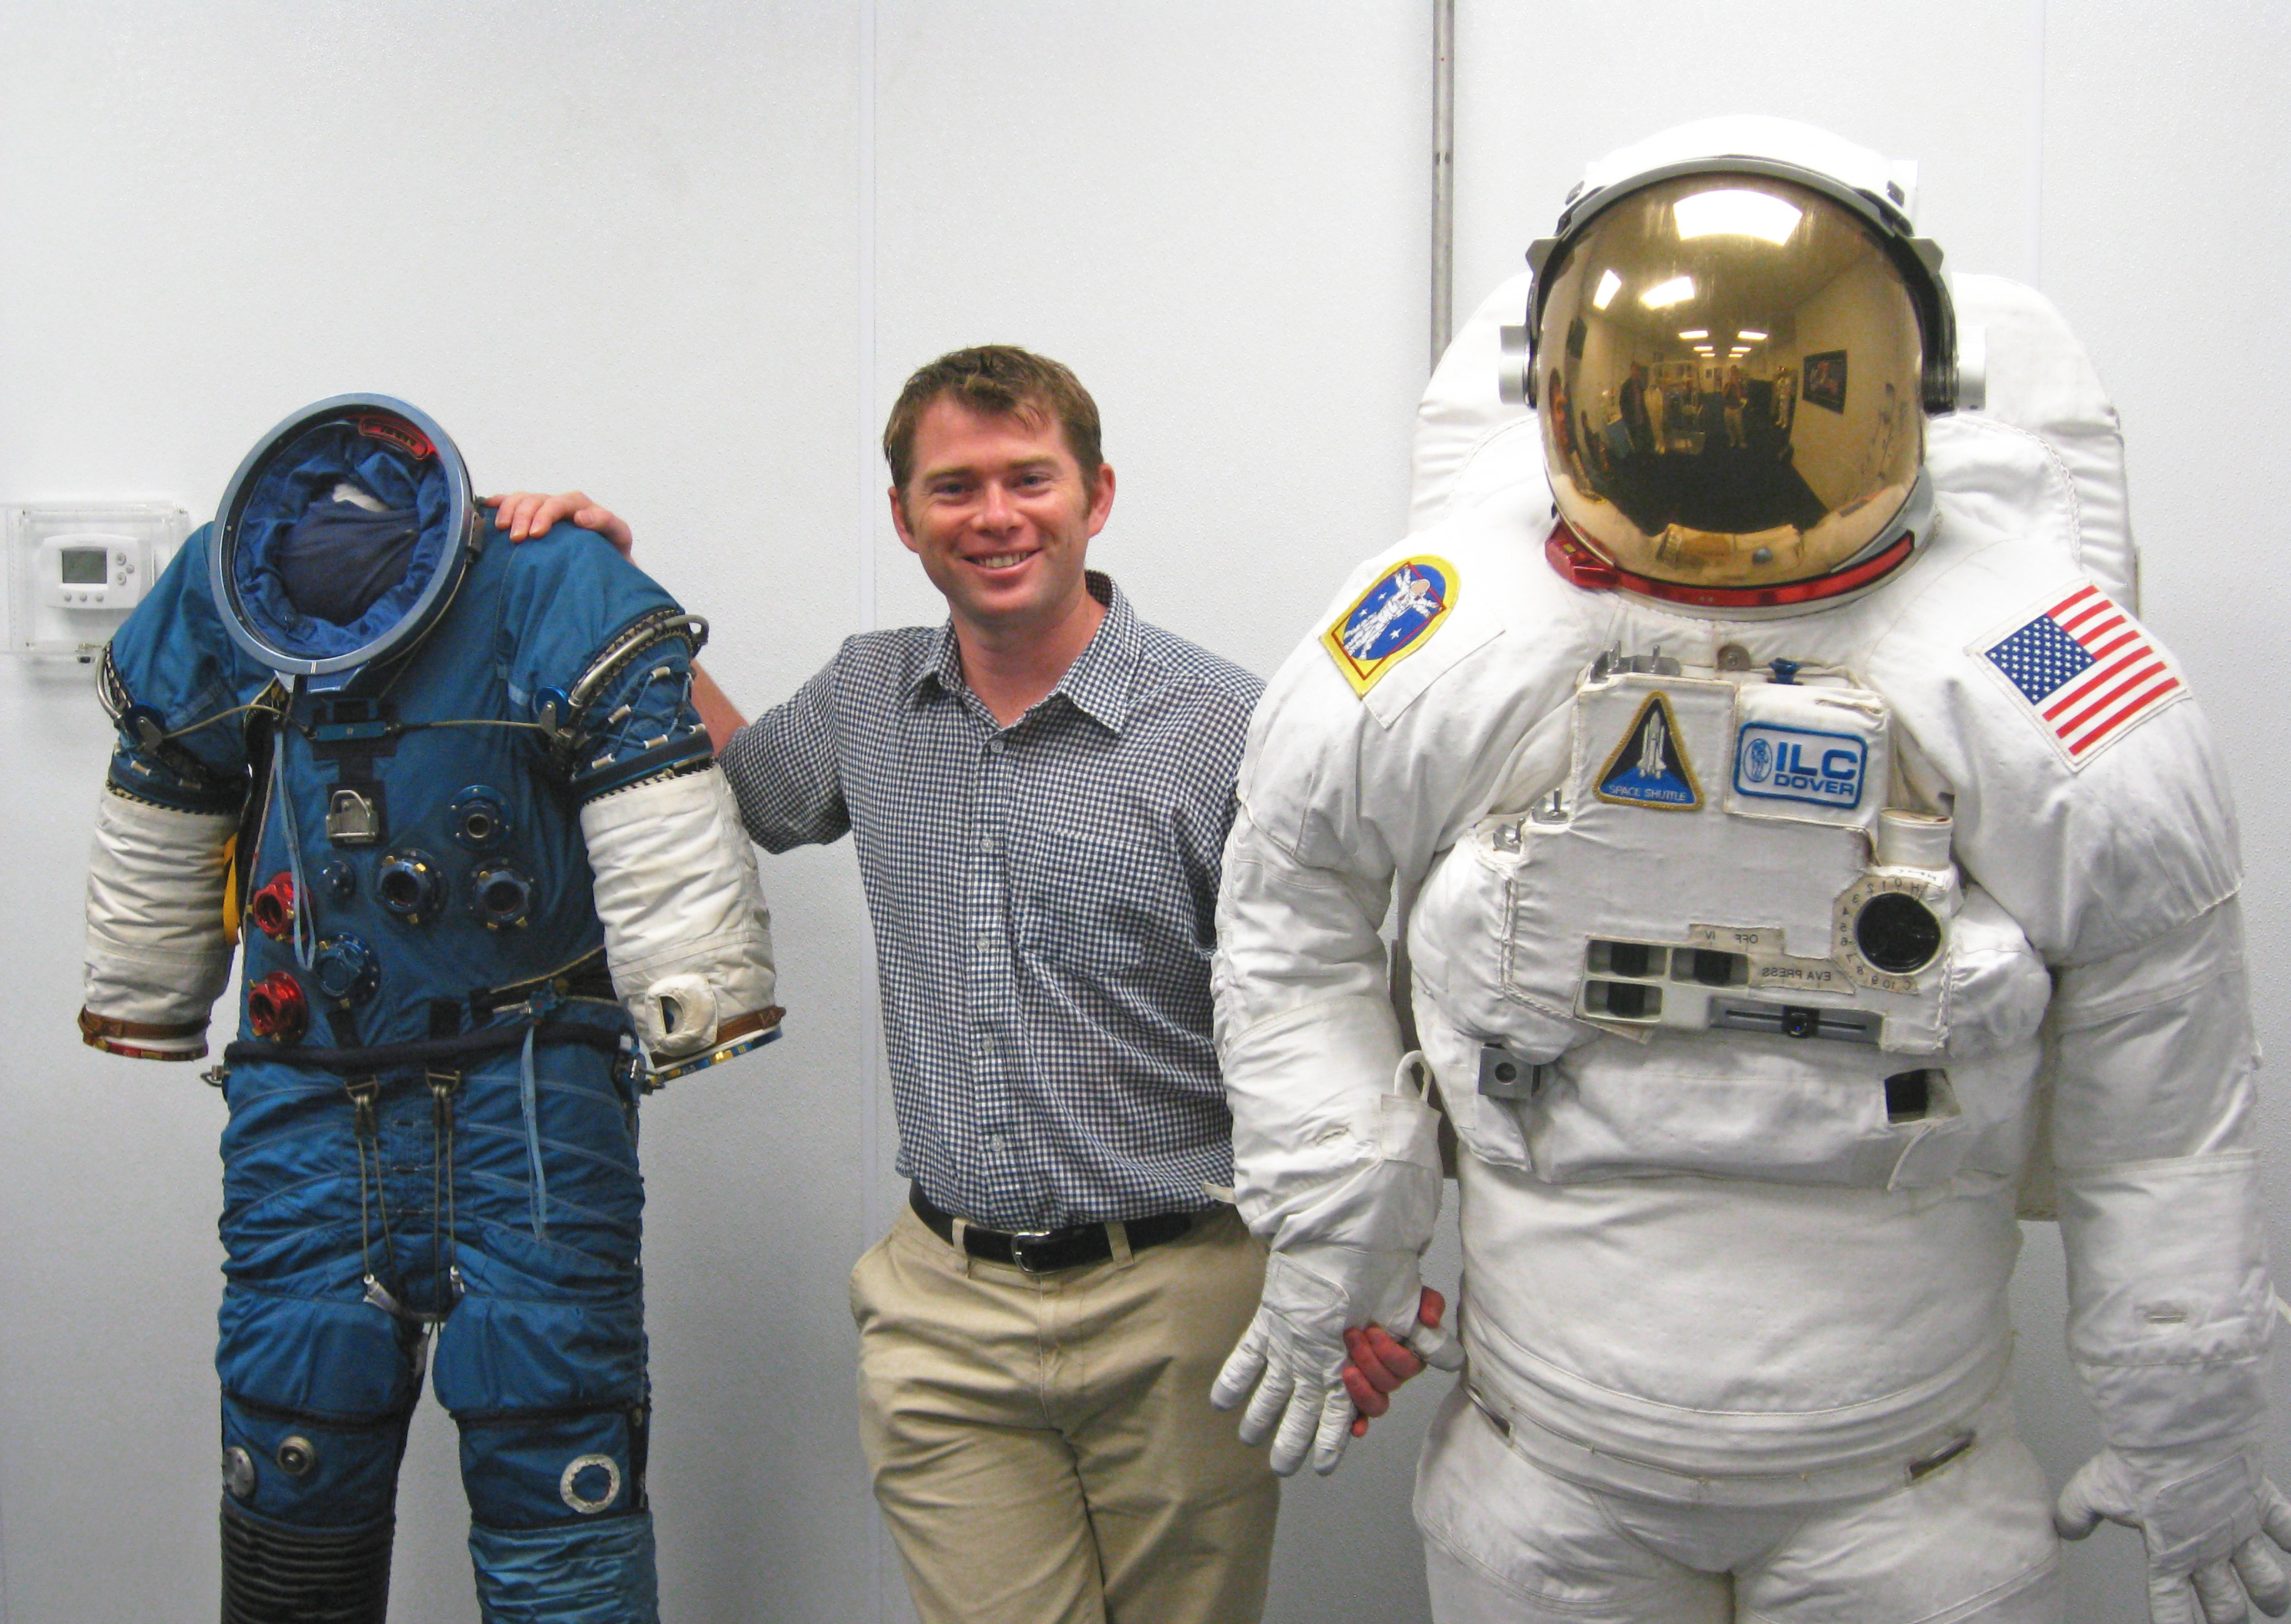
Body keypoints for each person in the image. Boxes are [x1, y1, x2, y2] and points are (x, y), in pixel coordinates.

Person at [1207, 118, 2290, 1624]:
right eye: (1671, 392)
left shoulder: (2036, 667)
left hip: (1900, 1490)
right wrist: (1333, 1235)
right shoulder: (1451, 623)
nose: (1716, 445)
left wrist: (2189, 1416)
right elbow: (1287, 913)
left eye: (1769, 388)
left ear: (1913, 383)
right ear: (1561, 384)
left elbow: (2164, 1099)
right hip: (1547, 1475)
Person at [491, 344, 1442, 1624]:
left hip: (1184, 1301)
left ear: (1096, 495)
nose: (993, 517)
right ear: (905, 518)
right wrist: (615, 590)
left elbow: (1348, 1023)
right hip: (946, 1307)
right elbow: (749, 786)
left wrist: (1355, 1273)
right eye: (953, 488)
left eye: (1026, 479)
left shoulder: (1232, 730)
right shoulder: (869, 696)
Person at [79, 396, 780, 1623]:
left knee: (554, 1435)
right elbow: (168, 774)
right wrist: (143, 992)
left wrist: (698, 990)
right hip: (314, 1099)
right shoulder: (217, 593)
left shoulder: (549, 580)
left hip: (527, 1102)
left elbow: (656, 773)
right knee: (295, 1440)